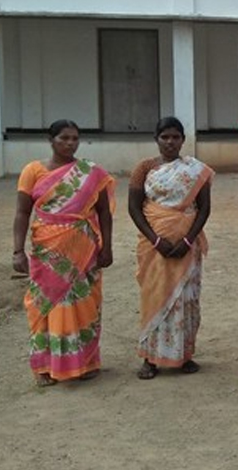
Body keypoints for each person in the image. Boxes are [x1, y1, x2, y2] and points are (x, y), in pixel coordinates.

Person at [12, 120, 115, 386]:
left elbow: (104, 212)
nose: (70, 143)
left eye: (75, 138)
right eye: (64, 138)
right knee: (45, 303)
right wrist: (17, 251)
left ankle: (86, 361)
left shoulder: (91, 173)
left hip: (84, 249)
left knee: (84, 303)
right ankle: (45, 366)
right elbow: (22, 212)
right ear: (51, 140)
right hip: (47, 250)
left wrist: (107, 246)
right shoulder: (32, 171)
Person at [128, 117, 214, 379]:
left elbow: (204, 208)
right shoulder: (144, 168)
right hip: (154, 247)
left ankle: (183, 355)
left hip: (187, 246)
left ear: (183, 140)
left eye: (175, 137)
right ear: (156, 139)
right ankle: (150, 358)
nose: (170, 142)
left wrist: (187, 240)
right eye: (164, 137)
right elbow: (134, 208)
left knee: (186, 299)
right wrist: (156, 240)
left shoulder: (195, 170)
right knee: (154, 297)